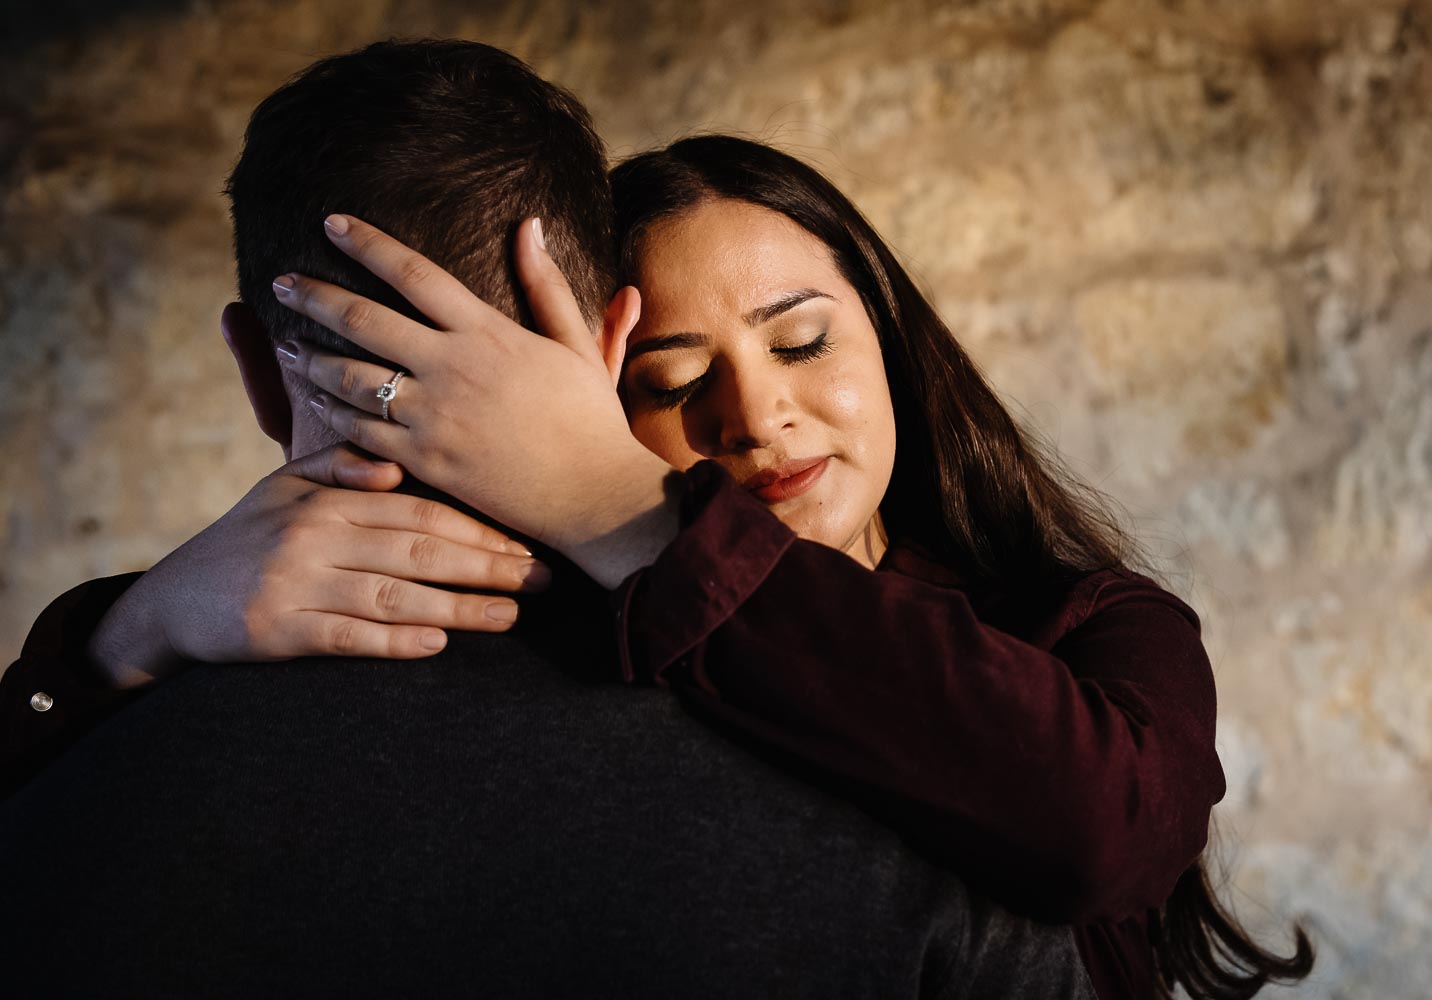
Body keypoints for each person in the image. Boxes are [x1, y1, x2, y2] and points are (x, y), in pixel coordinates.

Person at [0, 39, 1101, 1000]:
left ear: (254, 367)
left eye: (801, 342)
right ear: (615, 348)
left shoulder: (64, 814)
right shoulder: (922, 803)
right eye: (677, 378)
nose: (757, 417)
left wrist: (117, 643)